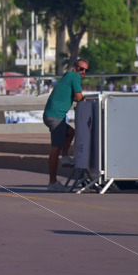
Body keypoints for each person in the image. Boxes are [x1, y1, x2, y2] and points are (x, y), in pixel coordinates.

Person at [42, 59, 87, 192]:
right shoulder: (74, 76)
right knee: (55, 150)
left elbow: (70, 96)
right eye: (81, 69)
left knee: (70, 132)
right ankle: (52, 182)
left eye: (85, 70)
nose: (83, 72)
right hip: (56, 116)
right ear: (75, 68)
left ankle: (65, 157)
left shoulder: (68, 76)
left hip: (52, 115)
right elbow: (79, 97)